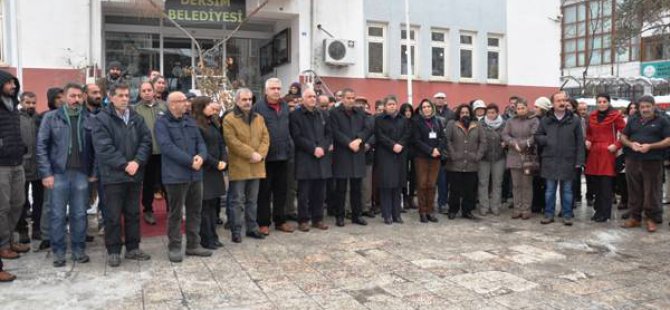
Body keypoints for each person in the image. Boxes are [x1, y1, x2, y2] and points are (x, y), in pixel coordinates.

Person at [91, 83, 152, 267]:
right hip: (113, 176)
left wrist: (137, 162)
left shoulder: (136, 117)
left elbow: (146, 141)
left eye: (127, 95)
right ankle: (114, 251)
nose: (125, 98)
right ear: (111, 97)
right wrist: (125, 164)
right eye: (120, 95)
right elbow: (104, 148)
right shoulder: (101, 119)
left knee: (133, 213)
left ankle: (133, 248)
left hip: (134, 174)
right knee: (113, 215)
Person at [37, 83, 95, 267]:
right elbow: (41, 146)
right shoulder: (51, 118)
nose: (76, 99)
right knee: (57, 215)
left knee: (79, 214)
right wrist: (46, 173)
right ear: (64, 97)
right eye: (72, 96)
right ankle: (59, 252)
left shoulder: (89, 118)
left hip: (81, 175)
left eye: (79, 96)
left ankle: (79, 250)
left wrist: (93, 172)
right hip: (58, 174)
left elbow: (96, 148)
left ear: (83, 97)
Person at [155, 91, 212, 262]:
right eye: (183, 101)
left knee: (195, 211)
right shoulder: (162, 123)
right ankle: (175, 246)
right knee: (176, 213)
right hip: (175, 175)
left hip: (195, 175)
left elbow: (201, 143)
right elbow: (167, 147)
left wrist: (201, 156)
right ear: (172, 104)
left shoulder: (190, 121)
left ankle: (193, 244)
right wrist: (190, 161)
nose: (187, 103)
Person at [223, 88, 270, 242]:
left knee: (253, 200)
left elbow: (265, 138)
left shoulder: (259, 118)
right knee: (237, 201)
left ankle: (252, 228)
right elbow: (232, 142)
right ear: (237, 101)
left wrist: (260, 154)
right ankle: (236, 230)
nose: (248, 102)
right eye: (244, 99)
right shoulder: (229, 119)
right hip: (240, 165)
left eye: (250, 99)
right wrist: (251, 154)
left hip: (257, 165)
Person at [535, 91, 585, 226]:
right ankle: (548, 214)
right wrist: (547, 140)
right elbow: (538, 136)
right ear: (553, 104)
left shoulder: (574, 119)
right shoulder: (546, 119)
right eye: (559, 100)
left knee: (568, 190)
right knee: (550, 190)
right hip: (550, 160)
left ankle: (567, 215)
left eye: (564, 100)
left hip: (568, 160)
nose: (562, 103)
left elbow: (580, 142)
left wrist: (579, 161)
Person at [621, 96, 670, 233]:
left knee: (651, 192)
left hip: (653, 161)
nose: (645, 109)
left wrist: (651, 146)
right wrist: (631, 144)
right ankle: (635, 218)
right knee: (634, 190)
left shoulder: (662, 121)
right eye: (642, 107)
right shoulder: (633, 120)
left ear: (653, 106)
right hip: (633, 160)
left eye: (648, 106)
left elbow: (668, 140)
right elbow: (623, 137)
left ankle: (651, 219)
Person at [253, 78, 295, 235]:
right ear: (266, 91)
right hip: (266, 157)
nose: (276, 91)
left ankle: (280, 221)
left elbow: (288, 128)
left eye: (278, 88)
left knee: (281, 191)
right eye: (273, 88)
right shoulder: (258, 107)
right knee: (264, 192)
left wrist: (290, 146)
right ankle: (263, 223)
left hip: (283, 155)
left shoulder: (284, 106)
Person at [329, 88, 373, 227]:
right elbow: (335, 131)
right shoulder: (334, 113)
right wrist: (348, 143)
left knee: (357, 188)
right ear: (342, 99)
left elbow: (368, 129)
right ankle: (340, 216)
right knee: (341, 188)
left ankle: (356, 215)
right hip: (342, 153)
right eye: (348, 98)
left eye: (353, 98)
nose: (351, 100)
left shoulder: (360, 112)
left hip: (357, 153)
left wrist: (359, 140)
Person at [289, 89, 332, 231]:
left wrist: (322, 148)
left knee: (320, 192)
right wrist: (313, 149)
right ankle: (303, 220)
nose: (313, 99)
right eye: (309, 96)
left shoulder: (323, 114)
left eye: (314, 96)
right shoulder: (295, 115)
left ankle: (318, 219)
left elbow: (328, 135)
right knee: (304, 193)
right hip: (305, 158)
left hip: (321, 158)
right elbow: (297, 136)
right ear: (302, 99)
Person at [191, 97, 227, 249]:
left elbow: (221, 142)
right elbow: (200, 149)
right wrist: (215, 162)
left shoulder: (212, 122)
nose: (211, 106)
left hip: (216, 169)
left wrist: (224, 160)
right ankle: (206, 238)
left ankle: (214, 235)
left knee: (214, 205)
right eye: (208, 104)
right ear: (200, 107)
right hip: (205, 170)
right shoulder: (195, 125)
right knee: (205, 207)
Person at [0, 70, 28, 262]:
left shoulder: (14, 107)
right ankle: (3, 245)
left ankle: (9, 239)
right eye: (9, 83)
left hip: (17, 162)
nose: (13, 86)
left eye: (14, 83)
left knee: (18, 202)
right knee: (2, 207)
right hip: (1, 165)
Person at [584, 93, 625, 222]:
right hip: (594, 152)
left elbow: (625, 134)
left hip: (608, 153)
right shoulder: (592, 116)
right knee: (595, 184)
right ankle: (598, 210)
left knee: (606, 185)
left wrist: (617, 145)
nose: (601, 104)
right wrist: (588, 140)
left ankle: (605, 213)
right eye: (599, 101)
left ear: (608, 102)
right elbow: (589, 133)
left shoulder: (616, 116)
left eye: (604, 101)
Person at [134, 81, 168, 225]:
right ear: (140, 93)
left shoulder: (164, 106)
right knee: (148, 183)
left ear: (154, 92)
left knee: (166, 182)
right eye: (144, 90)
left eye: (149, 90)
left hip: (164, 151)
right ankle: (148, 210)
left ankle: (172, 210)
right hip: (146, 153)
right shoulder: (135, 109)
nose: (147, 93)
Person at [444, 104, 486, 220]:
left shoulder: (477, 125)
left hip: (472, 163)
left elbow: (483, 142)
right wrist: (452, 154)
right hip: (455, 163)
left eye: (467, 112)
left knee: (469, 190)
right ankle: (453, 210)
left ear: (470, 113)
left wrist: (478, 155)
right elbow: (447, 140)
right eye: (462, 113)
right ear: (458, 114)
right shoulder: (452, 124)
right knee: (454, 189)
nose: (464, 115)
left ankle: (467, 211)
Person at [374, 96, 411, 224]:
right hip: (385, 155)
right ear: (384, 106)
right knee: (386, 186)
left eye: (394, 104)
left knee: (398, 186)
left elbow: (407, 134)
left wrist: (400, 144)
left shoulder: (403, 119)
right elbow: (380, 135)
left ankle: (397, 214)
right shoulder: (379, 119)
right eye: (389, 104)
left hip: (400, 155)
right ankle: (387, 215)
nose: (392, 106)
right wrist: (392, 145)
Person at [502, 98, 539, 219]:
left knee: (526, 184)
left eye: (523, 108)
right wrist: (512, 142)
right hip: (514, 155)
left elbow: (535, 135)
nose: (520, 110)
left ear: (527, 108)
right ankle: (517, 208)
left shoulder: (533, 120)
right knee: (516, 185)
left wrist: (523, 144)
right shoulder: (510, 121)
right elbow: (505, 134)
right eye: (518, 108)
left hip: (528, 156)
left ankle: (526, 209)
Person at [412, 99, 445, 223]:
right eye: (424, 107)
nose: (426, 109)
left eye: (428, 106)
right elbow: (416, 140)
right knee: (422, 185)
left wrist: (438, 149)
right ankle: (422, 212)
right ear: (421, 109)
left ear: (432, 108)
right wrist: (430, 150)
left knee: (431, 185)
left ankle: (430, 211)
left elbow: (443, 138)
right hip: (421, 157)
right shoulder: (416, 122)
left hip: (435, 158)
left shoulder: (438, 121)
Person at [17, 92, 42, 243]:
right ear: (21, 102)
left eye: (33, 102)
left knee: (39, 201)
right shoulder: (15, 119)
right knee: (21, 201)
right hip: (22, 166)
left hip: (39, 167)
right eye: (28, 102)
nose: (31, 105)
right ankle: (22, 230)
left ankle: (37, 228)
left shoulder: (40, 118)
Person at [477, 103, 506, 216]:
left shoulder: (504, 124)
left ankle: (495, 206)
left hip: (499, 157)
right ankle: (484, 206)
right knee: (483, 182)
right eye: (488, 112)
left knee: (497, 183)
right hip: (484, 158)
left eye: (493, 113)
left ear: (497, 113)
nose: (490, 115)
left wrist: (506, 142)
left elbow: (508, 135)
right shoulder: (480, 124)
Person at [433, 92, 454, 214]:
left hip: (445, 151)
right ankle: (429, 204)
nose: (440, 100)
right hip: (432, 149)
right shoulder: (430, 111)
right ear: (434, 100)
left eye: (442, 98)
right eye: (438, 98)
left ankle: (442, 203)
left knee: (443, 180)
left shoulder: (451, 113)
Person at [399, 103, 417, 210]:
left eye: (409, 110)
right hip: (403, 152)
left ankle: (411, 198)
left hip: (414, 152)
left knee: (414, 176)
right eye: (405, 111)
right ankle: (404, 198)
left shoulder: (415, 122)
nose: (408, 113)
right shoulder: (400, 123)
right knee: (404, 175)